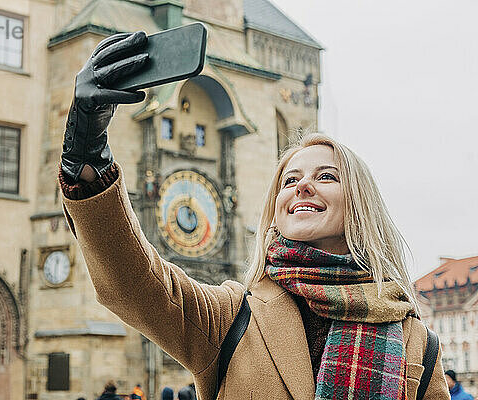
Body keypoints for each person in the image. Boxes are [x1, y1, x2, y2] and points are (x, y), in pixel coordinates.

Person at [58, 31, 450, 399]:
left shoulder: (417, 344)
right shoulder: (234, 317)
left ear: (360, 205)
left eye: (326, 176)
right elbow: (134, 281)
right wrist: (86, 154)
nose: (301, 186)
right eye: (289, 179)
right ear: (275, 209)